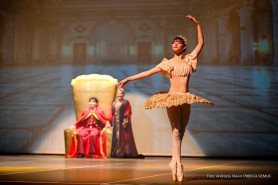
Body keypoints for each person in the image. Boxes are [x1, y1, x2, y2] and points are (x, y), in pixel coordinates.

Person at [118, 15, 214, 182]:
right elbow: (147, 72)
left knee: (181, 132)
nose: (175, 44)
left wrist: (198, 24)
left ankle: (173, 161)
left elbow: (201, 44)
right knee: (175, 130)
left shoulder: (190, 60)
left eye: (178, 42)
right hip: (172, 98)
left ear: (184, 47)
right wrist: (128, 78)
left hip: (186, 97)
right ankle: (179, 164)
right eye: (173, 42)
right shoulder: (167, 63)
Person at [111, 88, 142, 158]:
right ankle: (116, 152)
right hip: (115, 123)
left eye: (121, 93)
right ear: (116, 94)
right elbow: (112, 113)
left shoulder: (126, 102)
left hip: (123, 123)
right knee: (116, 137)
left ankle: (123, 152)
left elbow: (128, 111)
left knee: (124, 138)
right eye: (118, 93)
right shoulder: (114, 103)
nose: (119, 95)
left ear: (123, 94)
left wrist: (125, 120)